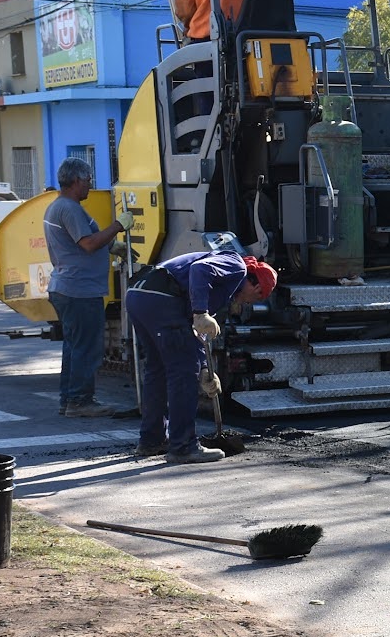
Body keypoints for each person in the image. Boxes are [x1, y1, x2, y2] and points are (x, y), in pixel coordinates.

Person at [125, 250, 277, 465]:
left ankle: (152, 439)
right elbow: (200, 270)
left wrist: (206, 368)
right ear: (257, 287)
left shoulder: (218, 286)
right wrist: (200, 312)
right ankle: (183, 446)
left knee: (157, 369)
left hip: (140, 296)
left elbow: (194, 331)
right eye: (254, 299)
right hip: (163, 299)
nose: (246, 304)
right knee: (184, 372)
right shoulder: (236, 265)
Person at [43, 157, 133, 417]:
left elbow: (85, 243)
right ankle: (80, 401)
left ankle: (69, 399)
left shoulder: (59, 207)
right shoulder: (69, 209)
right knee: (87, 348)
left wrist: (110, 245)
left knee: (74, 346)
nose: (90, 185)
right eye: (87, 180)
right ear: (75, 181)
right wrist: (117, 226)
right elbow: (88, 244)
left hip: (69, 288)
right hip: (79, 290)